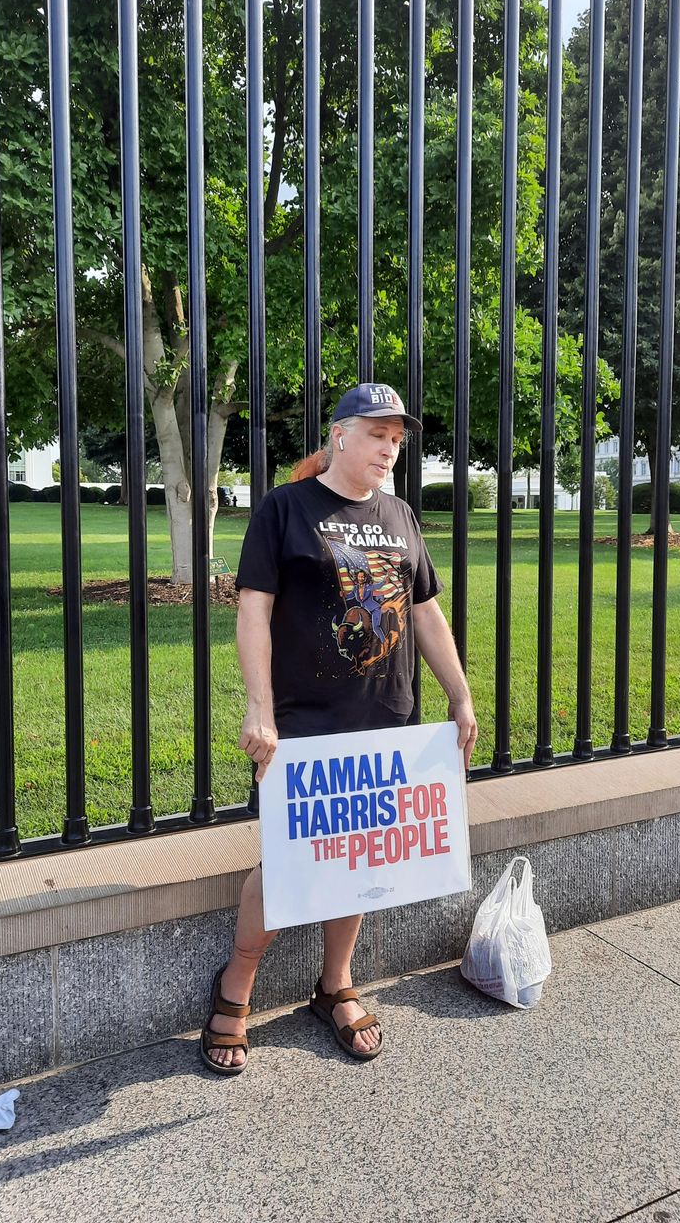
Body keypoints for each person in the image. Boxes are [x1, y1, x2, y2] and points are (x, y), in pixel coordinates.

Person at [201, 383, 478, 1075]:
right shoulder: (285, 509)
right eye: (377, 435)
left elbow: (424, 614)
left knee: (360, 859)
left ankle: (335, 985)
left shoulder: (400, 514)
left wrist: (460, 695)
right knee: (286, 858)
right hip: (303, 724)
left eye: (397, 439)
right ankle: (237, 985)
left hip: (384, 721)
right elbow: (253, 612)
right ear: (340, 436)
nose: (389, 449)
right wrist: (259, 708)